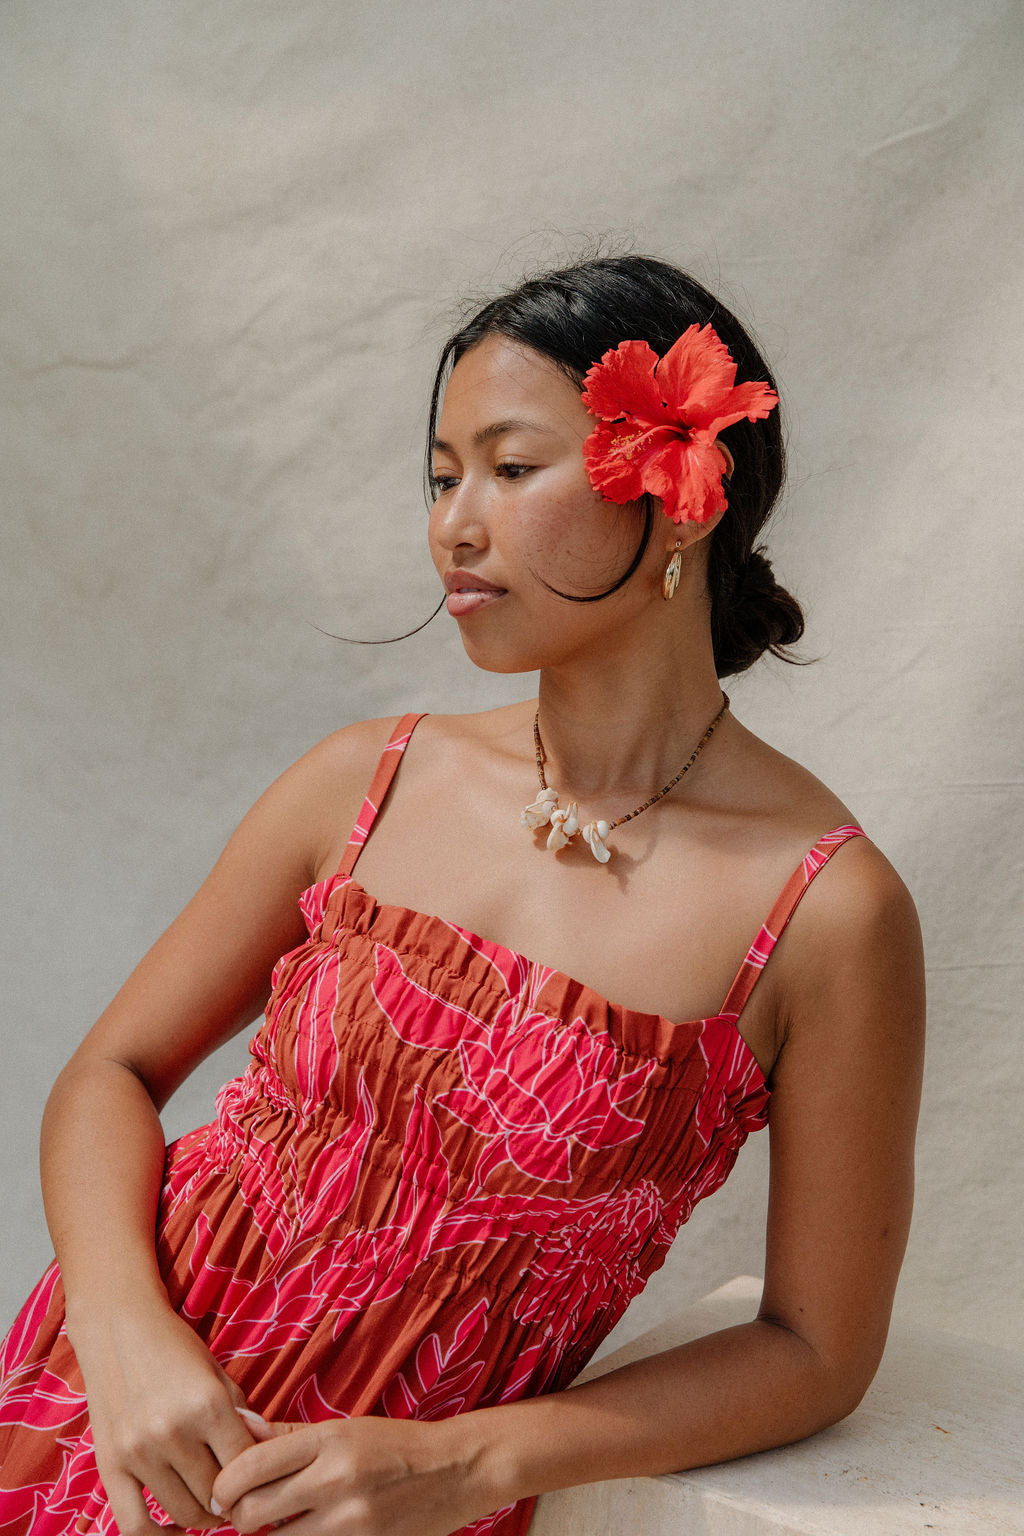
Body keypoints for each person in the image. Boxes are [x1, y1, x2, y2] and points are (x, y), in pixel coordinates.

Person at [0, 253, 925, 1536]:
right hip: (105, 1419)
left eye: (509, 466)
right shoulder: (362, 782)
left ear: (682, 494)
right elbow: (107, 1073)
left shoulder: (826, 910)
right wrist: (122, 1335)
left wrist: (467, 1467)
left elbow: (817, 1347)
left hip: (386, 1511)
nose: (454, 523)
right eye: (440, 477)